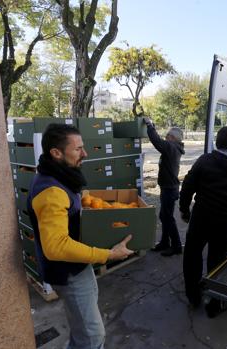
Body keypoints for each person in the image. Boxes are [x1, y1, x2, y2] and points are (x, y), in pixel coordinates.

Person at [27, 123, 133, 349]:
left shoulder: (59, 177)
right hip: (68, 273)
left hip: (78, 265)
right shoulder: (51, 191)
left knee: (82, 330)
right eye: (78, 149)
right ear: (56, 153)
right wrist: (108, 254)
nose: (85, 153)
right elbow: (55, 246)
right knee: (93, 335)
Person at [179, 126, 227, 317]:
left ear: (218, 142)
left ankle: (194, 297)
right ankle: (214, 304)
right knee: (218, 260)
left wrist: (184, 209)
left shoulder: (206, 160)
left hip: (202, 217)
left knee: (192, 255)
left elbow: (188, 185)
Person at [143, 117, 185, 257]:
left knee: (167, 217)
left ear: (172, 137)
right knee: (164, 216)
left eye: (167, 135)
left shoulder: (171, 147)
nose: (165, 137)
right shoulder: (173, 147)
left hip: (169, 188)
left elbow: (157, 141)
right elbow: (160, 141)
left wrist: (150, 125)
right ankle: (165, 242)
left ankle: (176, 246)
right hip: (167, 187)